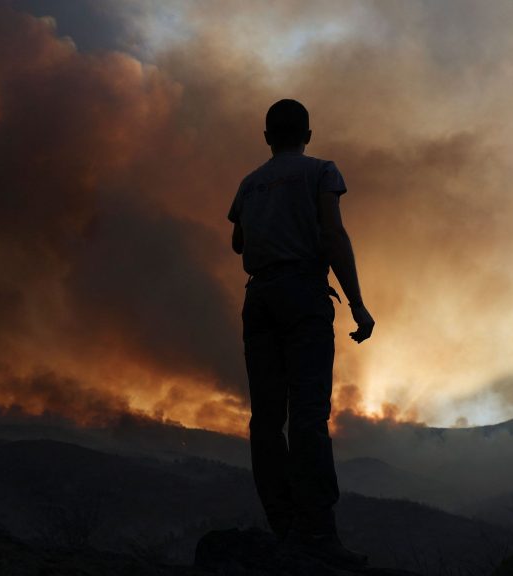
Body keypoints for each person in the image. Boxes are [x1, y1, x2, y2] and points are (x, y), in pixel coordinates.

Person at [227, 98, 375, 569]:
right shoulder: (321, 172)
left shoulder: (249, 185)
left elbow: (238, 243)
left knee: (266, 419)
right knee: (308, 415)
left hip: (259, 298)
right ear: (307, 135)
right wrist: (356, 303)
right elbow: (333, 236)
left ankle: (283, 525)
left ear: (267, 137)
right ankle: (316, 532)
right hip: (303, 295)